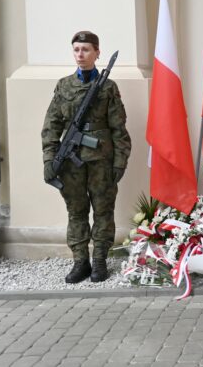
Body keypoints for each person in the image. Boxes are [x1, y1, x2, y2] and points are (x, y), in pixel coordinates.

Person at [41, 31, 131, 283]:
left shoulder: (108, 87)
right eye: (77, 49)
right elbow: (51, 125)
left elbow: (119, 129)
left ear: (97, 53)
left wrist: (120, 161)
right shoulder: (64, 85)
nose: (80, 54)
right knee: (76, 211)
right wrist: (49, 159)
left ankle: (100, 259)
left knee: (103, 211)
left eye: (86, 49)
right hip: (71, 163)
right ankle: (80, 261)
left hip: (102, 161)